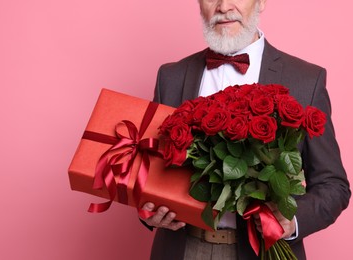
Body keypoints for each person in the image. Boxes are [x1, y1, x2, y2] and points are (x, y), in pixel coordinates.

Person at [140, 0, 351, 259]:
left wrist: (291, 221)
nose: (223, 6)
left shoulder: (306, 80)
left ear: (261, 2)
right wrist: (149, 213)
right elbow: (146, 172)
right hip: (181, 248)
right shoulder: (171, 76)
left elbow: (333, 185)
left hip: (263, 251)